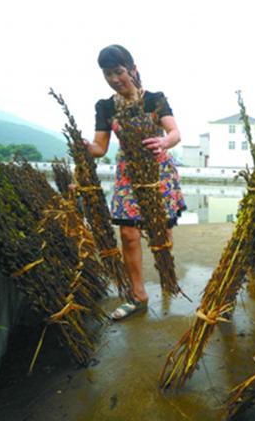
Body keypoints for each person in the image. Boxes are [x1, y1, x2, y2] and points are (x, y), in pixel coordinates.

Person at [84, 44, 187, 320]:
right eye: (108, 74)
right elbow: (100, 148)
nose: (114, 79)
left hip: (157, 173)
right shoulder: (105, 107)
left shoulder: (154, 99)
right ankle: (138, 295)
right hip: (128, 173)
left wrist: (164, 141)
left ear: (132, 69)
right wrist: (83, 146)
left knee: (161, 233)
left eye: (118, 72)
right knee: (128, 235)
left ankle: (166, 272)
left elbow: (174, 132)